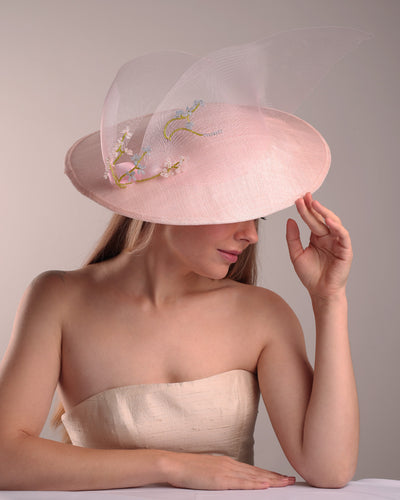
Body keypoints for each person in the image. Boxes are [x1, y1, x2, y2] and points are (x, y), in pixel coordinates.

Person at [0, 30, 363, 491]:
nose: (251, 234)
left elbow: (329, 471)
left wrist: (329, 300)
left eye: (257, 216)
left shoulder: (262, 315)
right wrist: (171, 466)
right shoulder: (58, 299)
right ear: (173, 200)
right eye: (234, 210)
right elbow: (5, 458)